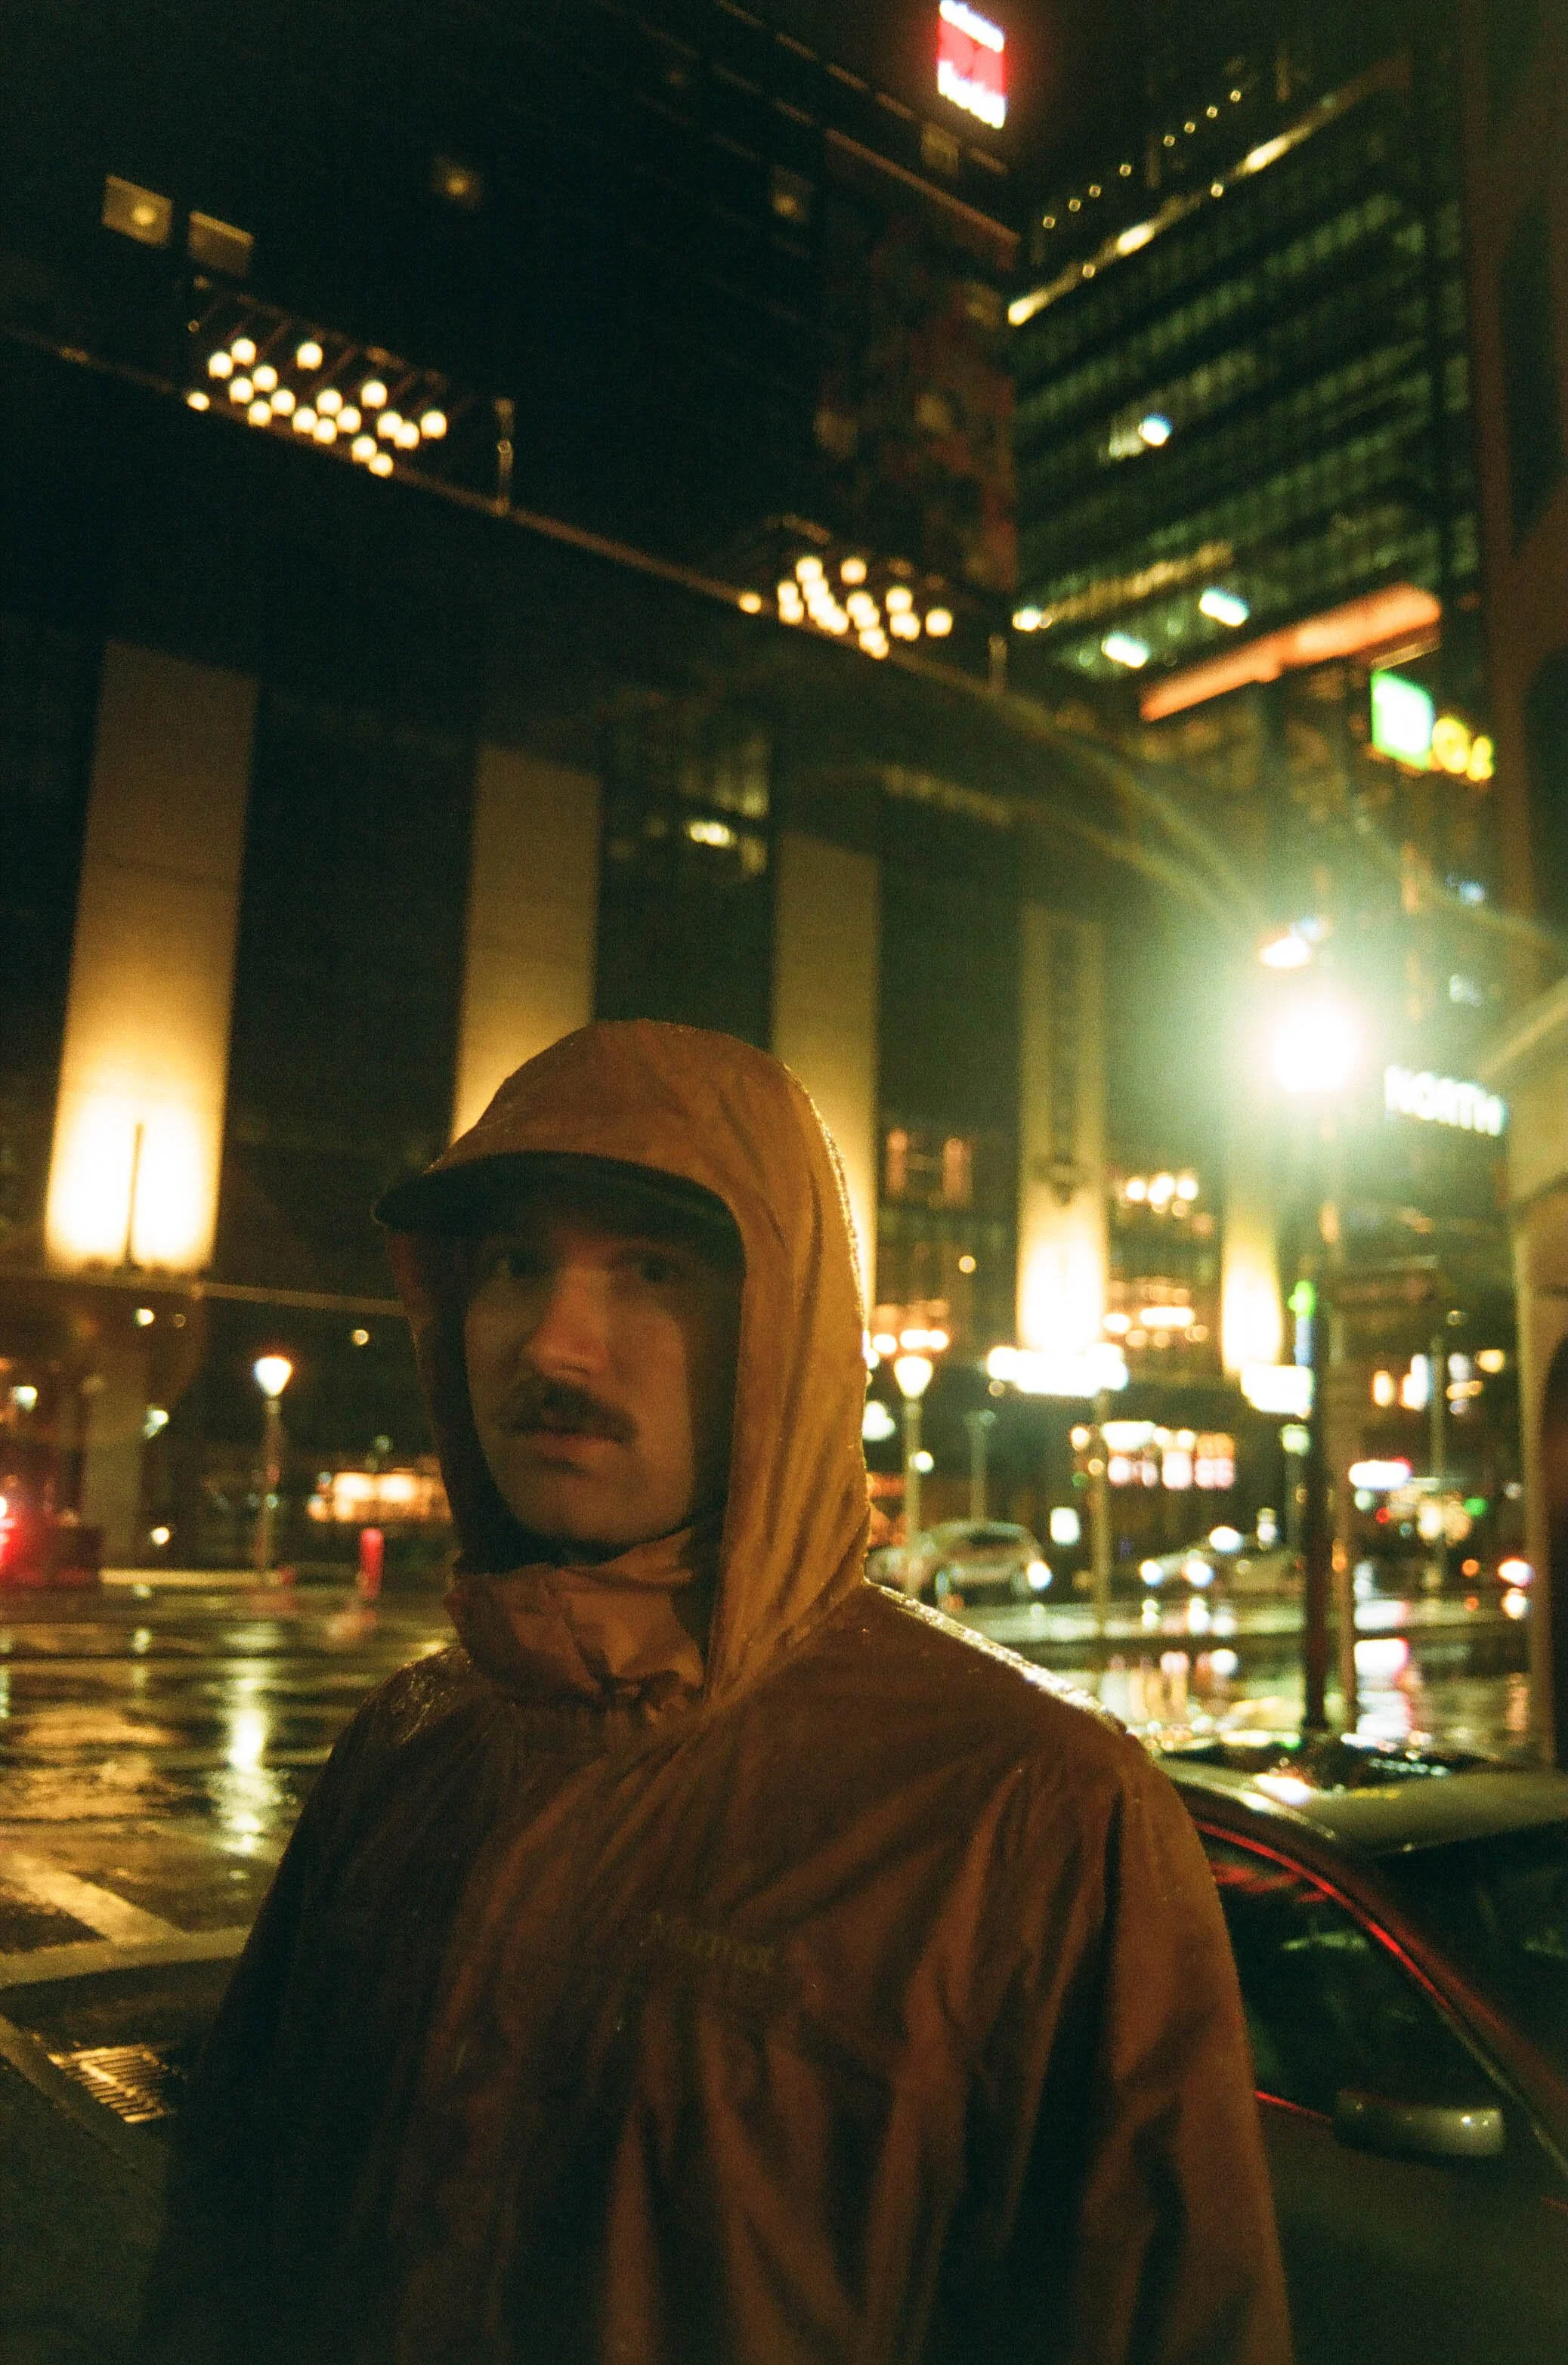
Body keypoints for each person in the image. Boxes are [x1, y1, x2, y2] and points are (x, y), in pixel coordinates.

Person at [143, 1019, 1291, 2364]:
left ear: (781, 1330)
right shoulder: (410, 1747)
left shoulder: (1035, 1811)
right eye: (514, 1262)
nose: (554, 1346)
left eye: (651, 1267)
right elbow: (225, 2244)